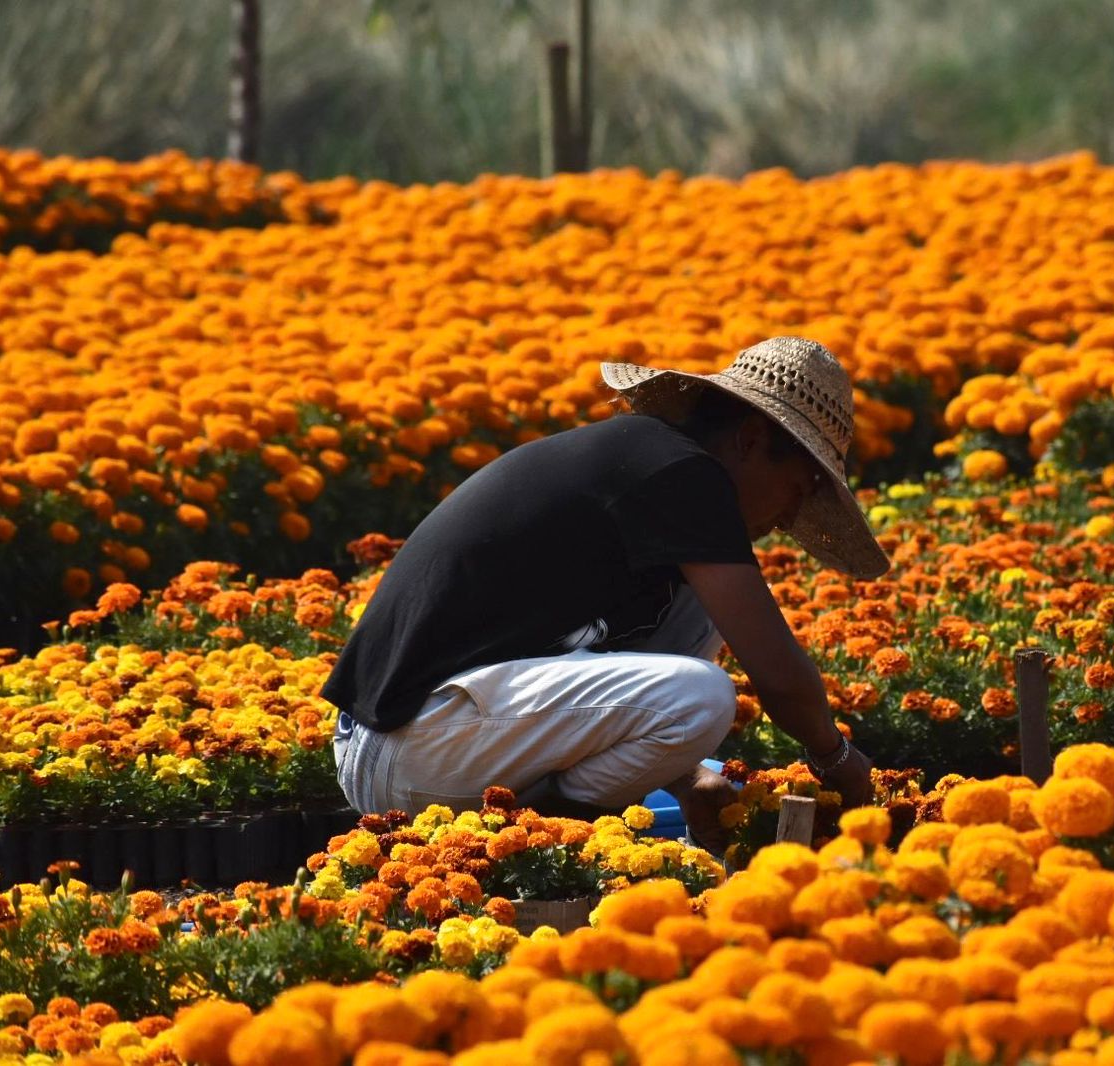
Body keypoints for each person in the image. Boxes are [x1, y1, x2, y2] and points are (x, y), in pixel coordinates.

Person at [323, 336, 888, 850]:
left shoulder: (648, 462)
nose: (790, 516)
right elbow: (777, 675)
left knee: (701, 613)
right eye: (796, 490)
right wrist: (835, 758)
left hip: (409, 740)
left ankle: (560, 830)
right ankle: (550, 845)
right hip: (408, 748)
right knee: (703, 696)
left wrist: (685, 777)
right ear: (750, 438)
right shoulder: (683, 476)